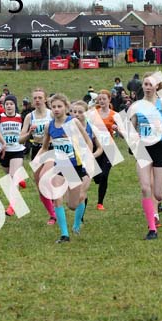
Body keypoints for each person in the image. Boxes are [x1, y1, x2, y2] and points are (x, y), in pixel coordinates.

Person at [127, 74, 162, 239]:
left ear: (156, 87)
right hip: (143, 149)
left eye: (151, 84)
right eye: (145, 84)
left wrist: (160, 129)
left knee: (159, 194)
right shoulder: (137, 106)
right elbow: (132, 129)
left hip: (160, 148)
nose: (147, 87)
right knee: (144, 188)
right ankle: (151, 228)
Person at [38, 95, 95, 243]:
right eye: (54, 107)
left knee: (73, 204)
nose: (56, 109)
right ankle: (64, 235)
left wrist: (87, 159)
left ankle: (76, 224)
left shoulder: (73, 122)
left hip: (75, 166)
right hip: (61, 166)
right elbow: (44, 147)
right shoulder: (49, 126)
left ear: (66, 107)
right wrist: (37, 161)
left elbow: (88, 141)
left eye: (59, 106)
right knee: (57, 197)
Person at [20, 87, 56, 224]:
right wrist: (29, 133)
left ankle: (55, 208)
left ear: (45, 99)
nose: (37, 100)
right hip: (36, 150)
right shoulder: (30, 116)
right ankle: (53, 214)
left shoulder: (52, 114)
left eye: (40, 97)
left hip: (51, 149)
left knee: (45, 179)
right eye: (35, 98)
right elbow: (20, 139)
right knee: (40, 186)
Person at [0, 95, 26, 216]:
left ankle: (12, 206)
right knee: (9, 176)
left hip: (17, 150)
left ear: (15, 105)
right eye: (7, 104)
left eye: (11, 104)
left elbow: (26, 131)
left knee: (13, 176)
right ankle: (20, 178)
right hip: (4, 151)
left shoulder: (20, 118)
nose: (9, 106)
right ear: (4, 106)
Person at [91, 90, 118, 210]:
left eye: (104, 99)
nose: (101, 101)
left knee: (104, 175)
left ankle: (100, 203)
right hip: (96, 147)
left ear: (109, 100)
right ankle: (96, 178)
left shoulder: (114, 115)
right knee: (97, 176)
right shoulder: (93, 113)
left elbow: (124, 133)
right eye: (99, 99)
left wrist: (117, 128)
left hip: (109, 148)